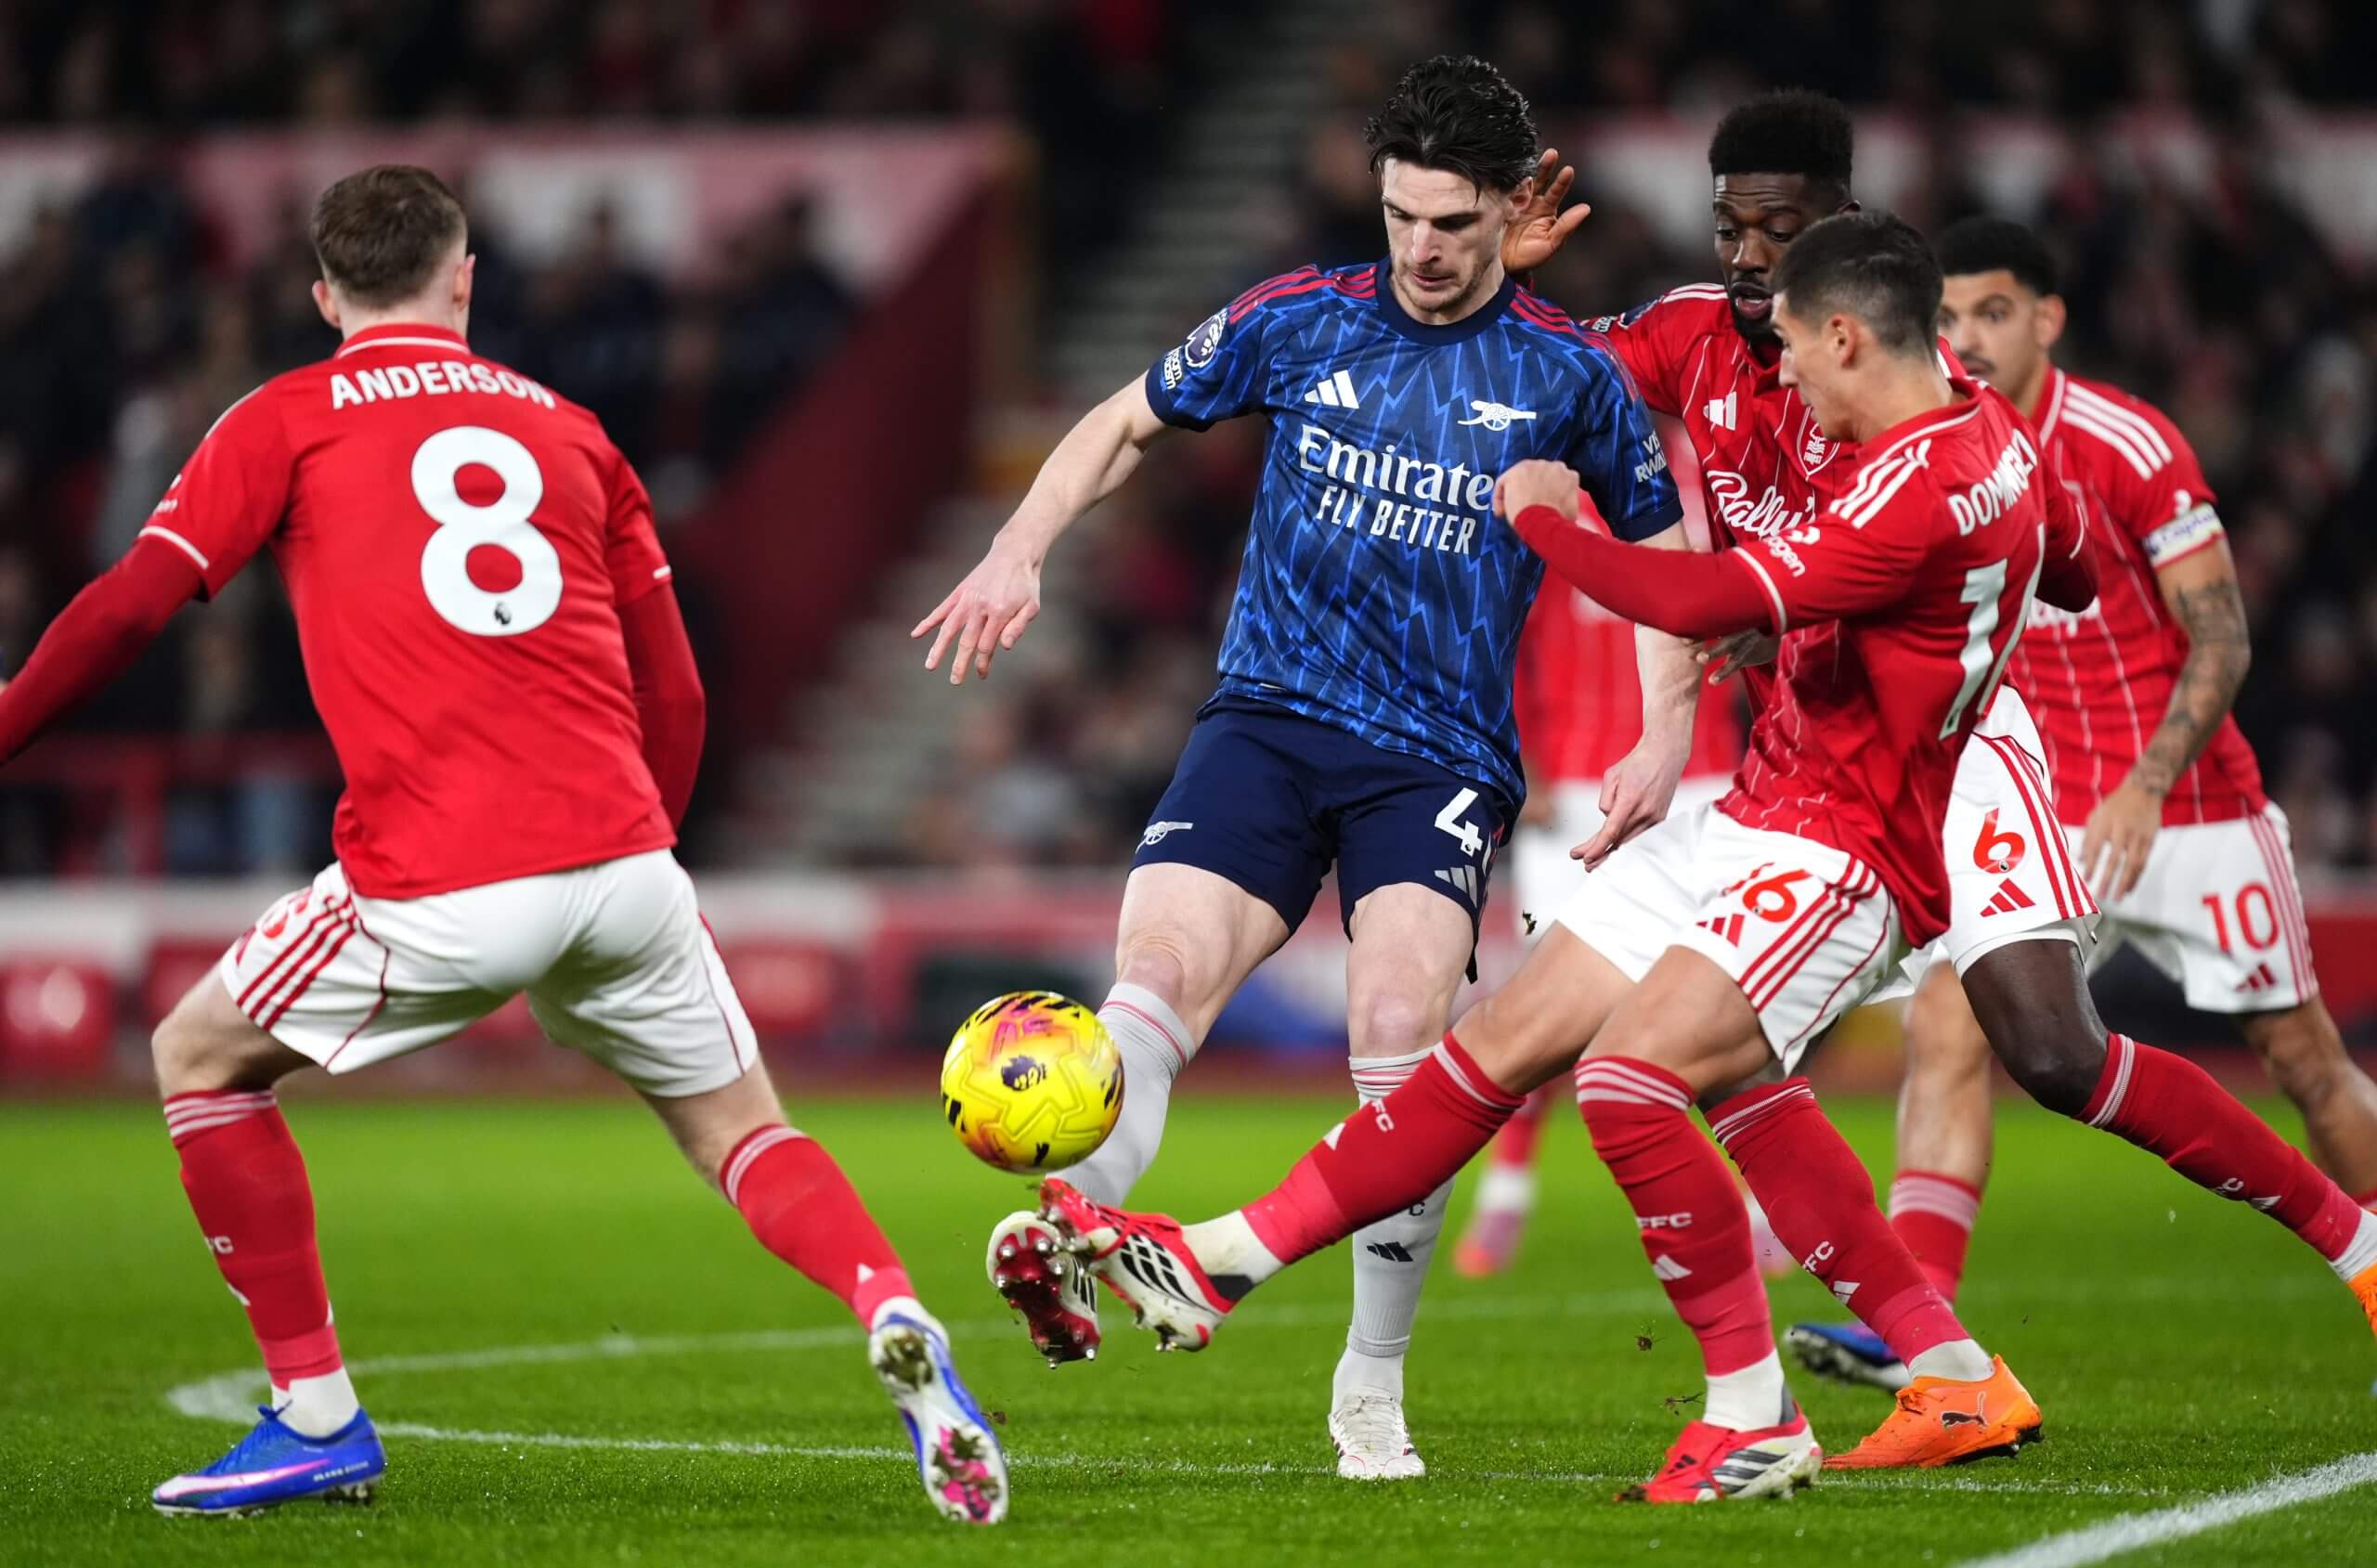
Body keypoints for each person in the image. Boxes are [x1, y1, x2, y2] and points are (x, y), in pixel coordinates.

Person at [1037, 212, 2106, 1500]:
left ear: (1843, 333)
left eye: (1789, 347)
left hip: (1847, 844)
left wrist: (1546, 520)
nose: (1778, 375)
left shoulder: (1910, 480)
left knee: (1628, 1082)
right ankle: (1223, 1262)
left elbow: (1701, 599)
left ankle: (1752, 1413)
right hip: (1759, 806)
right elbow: (2078, 567)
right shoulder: (1985, 431)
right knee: (1501, 1047)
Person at [0, 166, 1006, 1526]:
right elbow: (679, 695)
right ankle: (890, 1305)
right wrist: (638, 859)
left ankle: (316, 1416)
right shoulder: (575, 432)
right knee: (745, 1131)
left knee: (199, 1057)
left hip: (442, 874)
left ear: (323, 296)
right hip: (627, 861)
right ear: (464, 277)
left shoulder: (282, 417)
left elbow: (132, 609)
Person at [1500, 94, 2377, 1406]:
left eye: (1780, 229)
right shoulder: (1699, 337)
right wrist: (1503, 291)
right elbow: (1556, 379)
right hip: (1833, 751)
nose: (1750, 256)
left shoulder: (1951, 406)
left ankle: (2354, 1248)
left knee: (2062, 1051)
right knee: (1907, 1043)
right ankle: (1932, 1352)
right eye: (1730, 227)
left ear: (1841, 240)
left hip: (1980, 748)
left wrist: (1862, 593)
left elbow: (2078, 571)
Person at [911, 55, 1684, 1481]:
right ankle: (1071, 1235)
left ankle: (1370, 1386)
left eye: (1453, 221)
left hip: (1436, 758)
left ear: (1509, 211)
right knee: (1156, 977)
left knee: (1398, 1031)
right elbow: (1123, 419)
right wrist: (1019, 547)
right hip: (1267, 720)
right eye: (1402, 217)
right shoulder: (1298, 316)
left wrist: (1665, 727)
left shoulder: (1566, 374)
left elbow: (1669, 550)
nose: (1423, 249)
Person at [1789, 214, 2377, 1388]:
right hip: (2048, 807)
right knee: (1949, 1025)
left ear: (2048, 319)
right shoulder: (1931, 446)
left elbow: (2222, 634)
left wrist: (2146, 785)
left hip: (2190, 805)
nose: (1967, 337)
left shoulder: (2124, 442)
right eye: (1949, 316)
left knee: (2302, 1058)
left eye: (1993, 312)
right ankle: (1918, 1328)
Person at [1453, 552, 1743, 1278]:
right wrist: (1522, 761)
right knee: (1543, 1009)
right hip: (1574, 785)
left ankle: (1755, 1201)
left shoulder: (1705, 494)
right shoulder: (1551, 508)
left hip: (1701, 777)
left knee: (1730, 1001)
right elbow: (1501, 638)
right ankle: (1506, 1192)